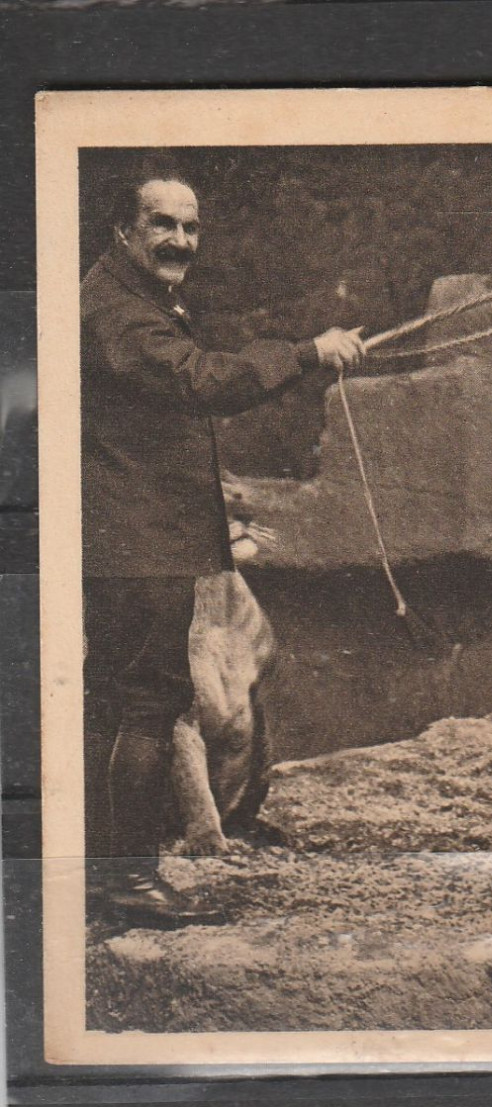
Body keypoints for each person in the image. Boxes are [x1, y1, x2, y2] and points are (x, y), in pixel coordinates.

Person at [81, 162, 366, 926]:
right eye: (162, 224)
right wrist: (307, 353)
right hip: (137, 546)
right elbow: (200, 380)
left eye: (190, 225)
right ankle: (123, 886)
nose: (180, 238)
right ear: (124, 231)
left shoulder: (136, 298)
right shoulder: (119, 311)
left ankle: (107, 881)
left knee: (122, 708)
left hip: (135, 540)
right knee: (144, 707)